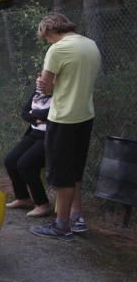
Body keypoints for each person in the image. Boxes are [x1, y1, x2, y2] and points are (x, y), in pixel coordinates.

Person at [30, 13, 101, 241]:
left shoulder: (57, 49)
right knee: (75, 171)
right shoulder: (90, 44)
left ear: (49, 32)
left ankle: (61, 226)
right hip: (85, 114)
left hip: (63, 118)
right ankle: (76, 217)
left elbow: (46, 88)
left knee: (62, 175)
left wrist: (43, 84)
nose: (47, 42)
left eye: (46, 38)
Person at [4, 81, 52, 216]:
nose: (40, 81)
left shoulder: (60, 95)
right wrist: (38, 118)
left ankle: (42, 204)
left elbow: (52, 113)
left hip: (49, 137)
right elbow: (24, 112)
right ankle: (23, 198)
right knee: (10, 161)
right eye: (39, 77)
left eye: (44, 78)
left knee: (26, 164)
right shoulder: (37, 92)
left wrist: (35, 113)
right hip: (33, 133)